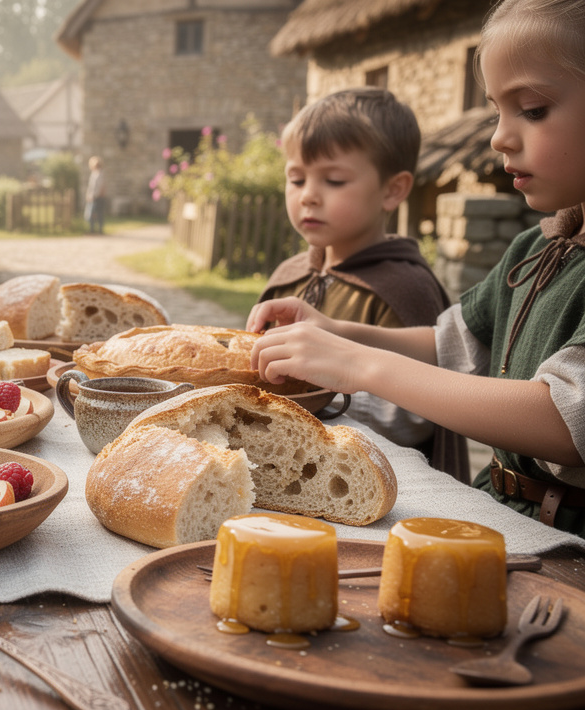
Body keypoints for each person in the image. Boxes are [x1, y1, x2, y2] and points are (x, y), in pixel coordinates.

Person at [248, 0, 585, 534]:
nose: (499, 137)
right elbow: (451, 345)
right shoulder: (534, 249)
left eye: (534, 110)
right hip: (505, 517)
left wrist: (360, 365)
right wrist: (337, 332)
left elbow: (564, 419)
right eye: (497, 110)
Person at [259, 87, 467, 481]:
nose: (308, 197)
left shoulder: (406, 288)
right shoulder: (288, 277)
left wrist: (316, 398)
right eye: (296, 178)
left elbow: (416, 414)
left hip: (369, 484)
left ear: (393, 190)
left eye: (334, 180)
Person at [85, 155, 106, 234]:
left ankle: (97, 230)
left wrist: (94, 196)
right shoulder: (94, 173)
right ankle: (92, 229)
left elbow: (99, 187)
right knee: (93, 213)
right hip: (94, 196)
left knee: (95, 213)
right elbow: (91, 187)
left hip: (97, 197)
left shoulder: (99, 174)